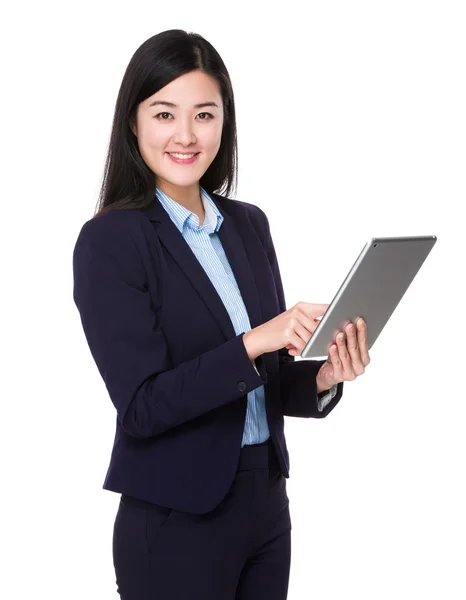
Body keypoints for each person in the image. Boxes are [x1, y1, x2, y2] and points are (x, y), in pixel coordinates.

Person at [72, 29, 370, 600]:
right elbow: (142, 406)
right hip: (177, 514)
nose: (185, 135)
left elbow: (270, 385)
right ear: (133, 123)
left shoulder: (248, 224)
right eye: (164, 113)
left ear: (223, 124)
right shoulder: (111, 240)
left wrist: (326, 376)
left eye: (204, 115)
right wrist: (257, 340)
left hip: (265, 504)